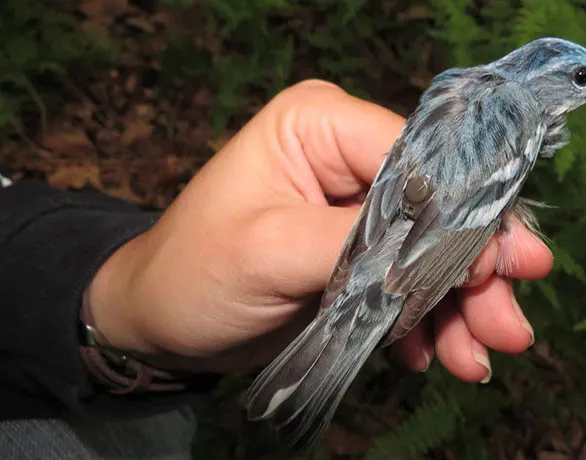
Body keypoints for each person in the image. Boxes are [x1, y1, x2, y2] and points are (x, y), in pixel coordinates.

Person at [0, 80, 553, 459]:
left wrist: (113, 303)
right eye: (582, 79)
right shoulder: (519, 128)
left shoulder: (459, 94)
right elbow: (461, 223)